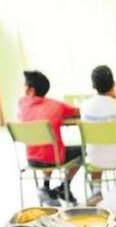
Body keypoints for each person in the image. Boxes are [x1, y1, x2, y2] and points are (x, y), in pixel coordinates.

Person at [17, 70, 80, 205]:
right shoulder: (57, 105)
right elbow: (76, 112)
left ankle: (45, 187)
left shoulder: (21, 104)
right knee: (82, 150)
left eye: (25, 86)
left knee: (45, 148)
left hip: (31, 159)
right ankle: (64, 186)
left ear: (31, 90)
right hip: (54, 159)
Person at [79, 65, 116, 206]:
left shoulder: (85, 106)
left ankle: (96, 190)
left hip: (94, 161)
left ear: (93, 85)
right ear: (112, 83)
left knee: (96, 146)